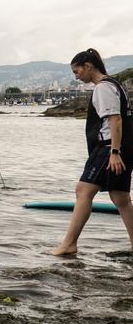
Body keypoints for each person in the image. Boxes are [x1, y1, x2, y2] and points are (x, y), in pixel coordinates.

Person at [51, 49, 133, 256]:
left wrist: (114, 152)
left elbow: (115, 120)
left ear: (88, 66)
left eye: (76, 71)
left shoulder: (103, 88)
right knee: (121, 198)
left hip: (109, 148)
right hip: (123, 148)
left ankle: (69, 244)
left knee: (83, 191)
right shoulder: (115, 85)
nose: (76, 76)